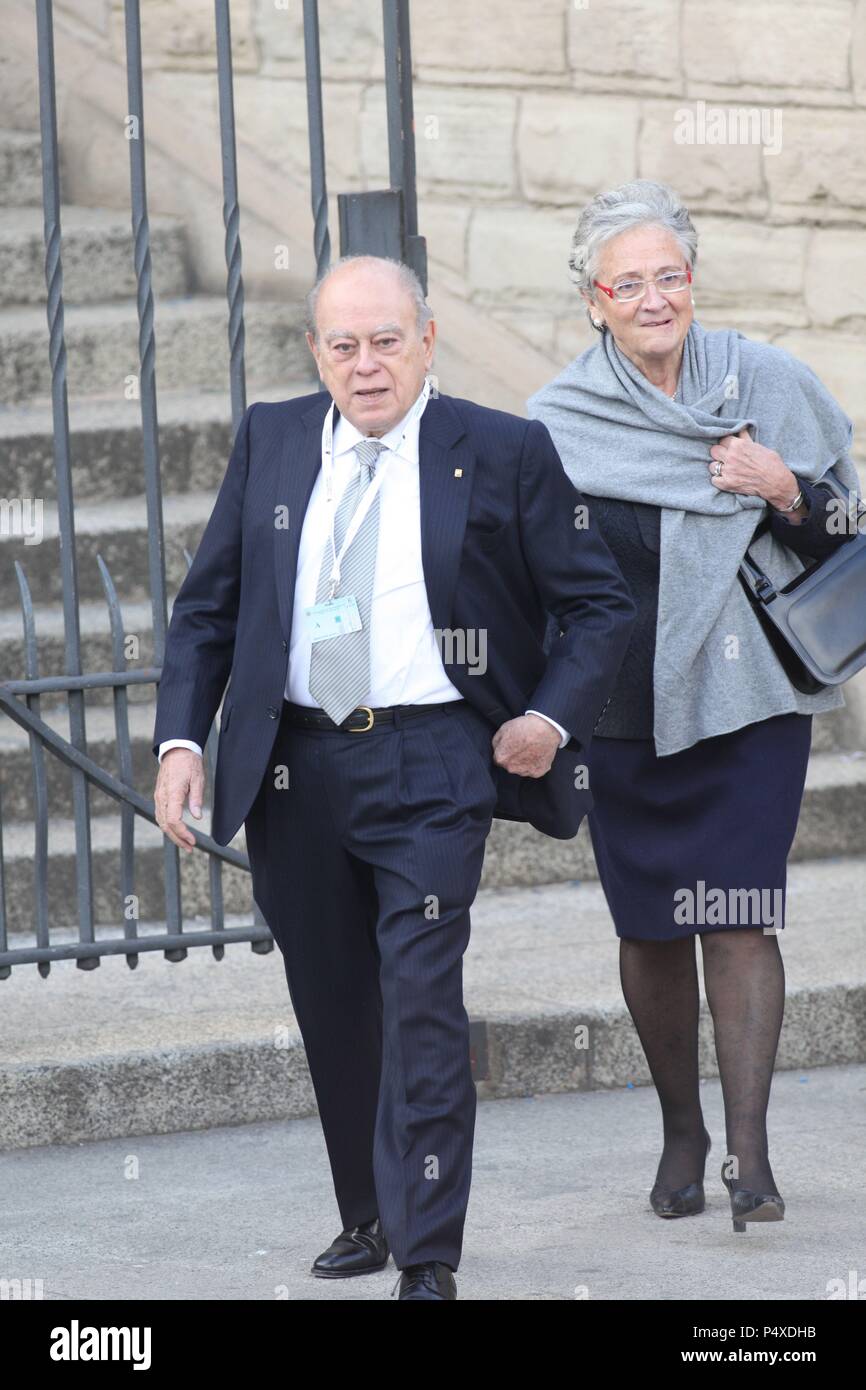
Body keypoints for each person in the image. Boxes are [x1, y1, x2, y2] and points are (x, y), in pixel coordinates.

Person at [152, 253, 636, 1298]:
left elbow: (597, 604)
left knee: (420, 1001)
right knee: (334, 1003)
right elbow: (207, 610)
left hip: (429, 761)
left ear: (426, 340)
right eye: (342, 344)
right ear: (315, 353)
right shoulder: (273, 440)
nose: (364, 365)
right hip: (296, 764)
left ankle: (426, 1251)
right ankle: (364, 1215)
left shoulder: (502, 449)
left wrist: (548, 716)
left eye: (384, 341)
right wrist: (182, 742)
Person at [528, 179, 860, 1235]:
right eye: (628, 282)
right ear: (593, 299)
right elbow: (530, 565)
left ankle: (750, 1157)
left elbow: (849, 516)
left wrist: (781, 486)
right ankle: (681, 1132)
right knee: (650, 926)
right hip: (623, 705)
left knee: (735, 913)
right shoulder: (559, 418)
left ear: (692, 280)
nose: (653, 296)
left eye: (669, 275)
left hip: (747, 699)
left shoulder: (766, 381)